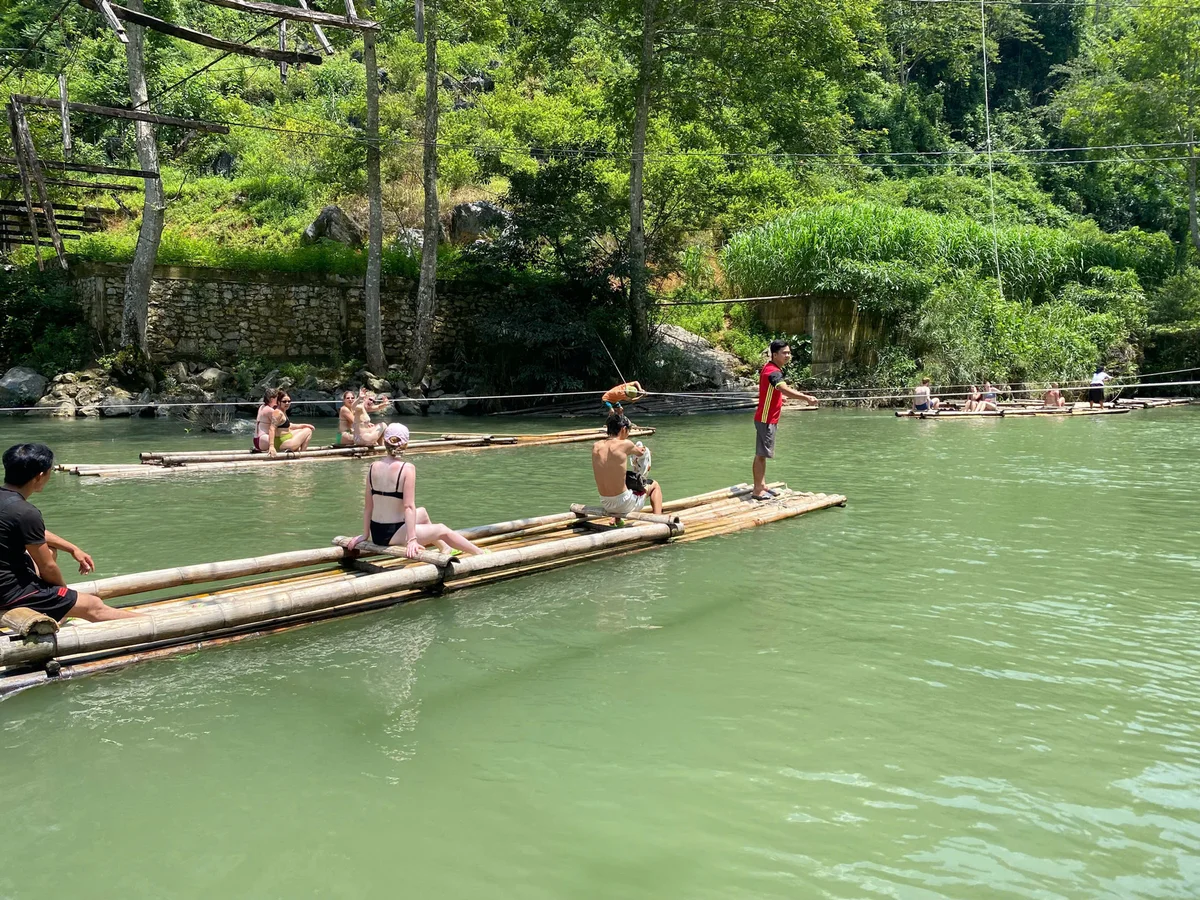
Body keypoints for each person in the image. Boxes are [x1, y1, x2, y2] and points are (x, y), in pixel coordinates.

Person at [0, 444, 138, 623]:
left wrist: (73, 549)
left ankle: (50, 606)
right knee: (93, 605)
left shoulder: (13, 507)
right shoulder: (25, 512)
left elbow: (32, 533)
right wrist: (64, 597)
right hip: (7, 592)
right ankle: (155, 623)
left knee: (50, 550)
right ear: (40, 476)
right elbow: (47, 567)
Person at [346, 424, 485, 558]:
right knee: (442, 529)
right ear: (405, 444)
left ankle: (445, 547)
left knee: (423, 513)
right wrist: (412, 539)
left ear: (385, 443)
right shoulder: (407, 468)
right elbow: (409, 506)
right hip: (394, 534)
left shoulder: (372, 467)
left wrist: (365, 535)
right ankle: (481, 555)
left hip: (376, 532)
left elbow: (368, 507)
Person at [751, 340, 818, 501]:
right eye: (784, 353)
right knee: (761, 455)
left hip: (767, 418)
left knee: (763, 454)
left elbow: (773, 390)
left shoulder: (770, 368)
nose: (788, 355)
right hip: (766, 419)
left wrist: (779, 398)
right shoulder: (774, 372)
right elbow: (782, 387)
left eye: (789, 352)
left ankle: (762, 484)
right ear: (775, 355)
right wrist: (806, 398)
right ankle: (757, 490)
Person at [592, 413, 663, 522]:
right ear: (624, 429)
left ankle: (616, 519)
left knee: (621, 479)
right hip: (624, 504)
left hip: (605, 502)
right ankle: (659, 521)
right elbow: (640, 452)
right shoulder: (626, 444)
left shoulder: (596, 446)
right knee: (654, 485)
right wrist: (645, 450)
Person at [252, 388, 279, 453]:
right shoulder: (270, 410)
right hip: (264, 439)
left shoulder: (262, 407)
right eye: (277, 398)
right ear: (272, 399)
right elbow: (280, 426)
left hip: (256, 440)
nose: (278, 400)